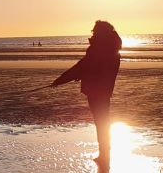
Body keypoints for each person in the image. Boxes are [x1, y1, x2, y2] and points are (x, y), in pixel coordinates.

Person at [51, 20, 121, 165]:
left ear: (101, 32)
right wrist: (79, 75)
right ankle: (105, 151)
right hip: (104, 89)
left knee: (101, 121)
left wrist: (61, 80)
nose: (93, 33)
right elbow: (90, 68)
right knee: (102, 121)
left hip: (96, 90)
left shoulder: (99, 49)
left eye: (95, 31)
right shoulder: (112, 48)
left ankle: (104, 154)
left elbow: (84, 66)